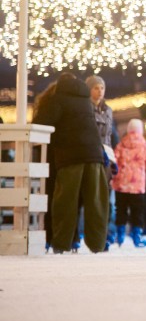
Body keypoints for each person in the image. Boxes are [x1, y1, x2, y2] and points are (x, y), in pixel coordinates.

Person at [33, 73, 110, 254]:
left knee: (65, 202)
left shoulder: (57, 99)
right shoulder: (85, 101)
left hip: (70, 156)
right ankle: (98, 244)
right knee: (96, 202)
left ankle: (61, 243)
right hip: (94, 155)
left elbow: (40, 123)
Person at [111, 119, 146, 247]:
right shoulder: (144, 146)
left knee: (120, 210)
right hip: (137, 185)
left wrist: (113, 178)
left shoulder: (120, 145)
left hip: (121, 185)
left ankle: (120, 236)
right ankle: (136, 237)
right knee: (137, 212)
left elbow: (114, 162)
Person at [87, 75, 119, 245]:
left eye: (102, 88)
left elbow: (109, 136)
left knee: (106, 197)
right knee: (92, 196)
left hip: (106, 155)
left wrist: (113, 158)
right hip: (91, 154)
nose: (99, 91)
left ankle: (105, 234)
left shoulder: (108, 110)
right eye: (96, 88)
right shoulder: (85, 108)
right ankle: (89, 234)